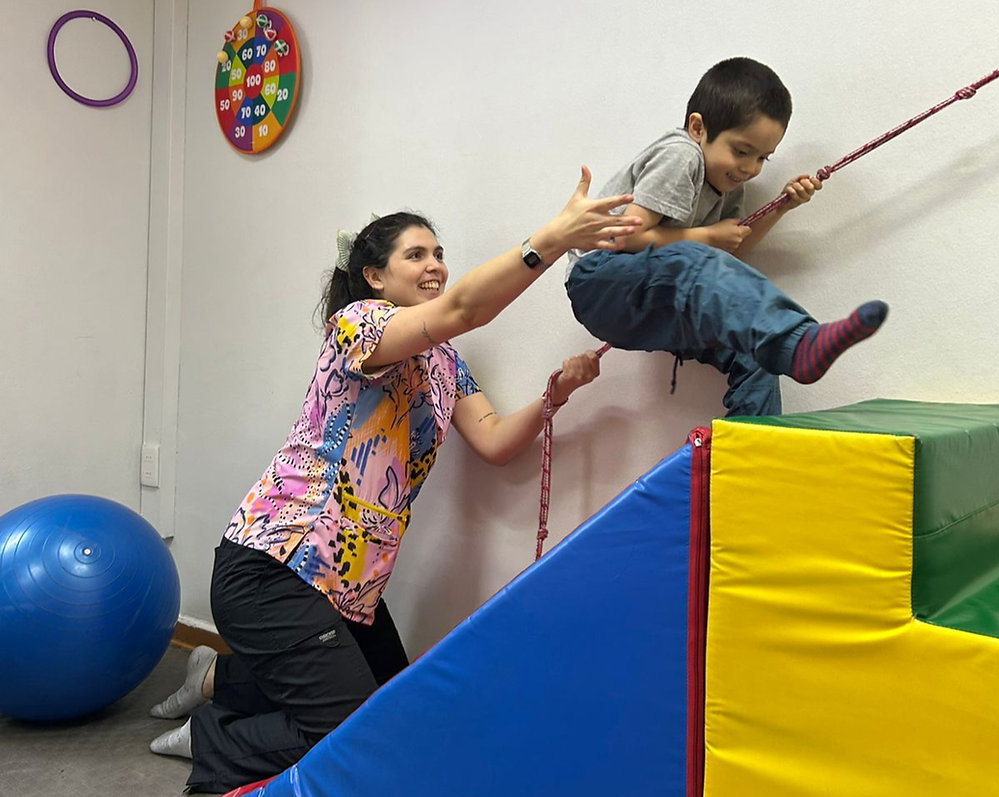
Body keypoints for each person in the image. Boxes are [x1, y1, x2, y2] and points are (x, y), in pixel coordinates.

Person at [147, 168, 642, 794]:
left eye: (439, 253)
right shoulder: (359, 325)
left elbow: (491, 442)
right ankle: (214, 737)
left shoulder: (444, 363)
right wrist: (553, 237)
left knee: (398, 708)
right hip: (275, 566)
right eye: (417, 254)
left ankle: (219, 679)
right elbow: (464, 307)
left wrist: (556, 397)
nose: (434, 264)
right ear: (375, 277)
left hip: (349, 587)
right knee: (357, 732)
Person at [566, 57, 889, 416]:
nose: (750, 168)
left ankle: (752, 457)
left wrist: (781, 207)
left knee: (756, 348)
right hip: (599, 280)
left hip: (651, 302)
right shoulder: (682, 154)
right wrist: (705, 236)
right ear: (698, 127)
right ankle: (797, 341)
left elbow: (727, 252)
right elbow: (623, 238)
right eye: (741, 151)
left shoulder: (729, 187)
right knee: (692, 257)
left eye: (763, 158)